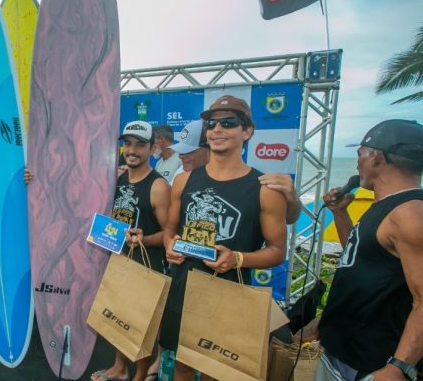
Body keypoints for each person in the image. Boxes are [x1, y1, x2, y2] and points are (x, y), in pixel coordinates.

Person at [159, 95, 288, 380]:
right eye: (212, 124)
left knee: (214, 370)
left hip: (230, 293)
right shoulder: (184, 180)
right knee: (181, 364)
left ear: (247, 131)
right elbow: (170, 228)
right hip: (183, 286)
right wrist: (169, 244)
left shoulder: (264, 188)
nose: (217, 130)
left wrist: (239, 258)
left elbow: (278, 250)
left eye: (228, 123)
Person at [316, 119, 423, 381]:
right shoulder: (386, 206)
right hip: (344, 354)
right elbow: (358, 258)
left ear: (376, 157)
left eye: (359, 154)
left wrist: (400, 366)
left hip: (373, 365)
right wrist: (340, 213)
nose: (357, 163)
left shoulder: (410, 214)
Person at [92, 121, 171, 381]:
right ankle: (119, 368)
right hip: (119, 260)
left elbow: (170, 233)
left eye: (140, 145)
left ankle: (138, 375)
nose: (132, 150)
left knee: (141, 325)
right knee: (119, 318)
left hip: (146, 265)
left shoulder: (158, 186)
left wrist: (145, 239)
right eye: (127, 144)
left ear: (152, 148)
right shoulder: (118, 178)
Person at [170, 119, 302, 224]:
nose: (181, 156)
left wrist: (292, 198)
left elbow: (287, 219)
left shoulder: (255, 182)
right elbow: (170, 225)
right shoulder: (181, 175)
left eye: (188, 151)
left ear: (211, 147)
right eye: (180, 151)